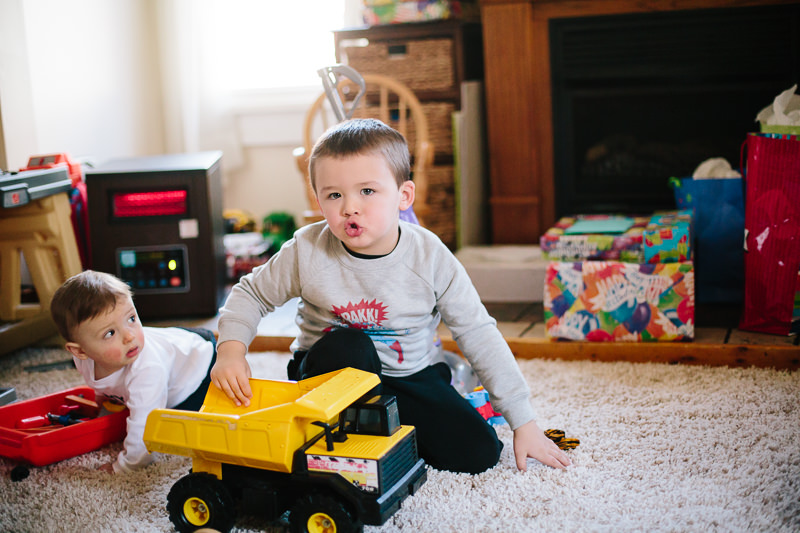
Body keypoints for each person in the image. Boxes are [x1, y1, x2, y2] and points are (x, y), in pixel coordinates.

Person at [211, 118, 571, 474]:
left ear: (404, 196)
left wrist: (523, 422)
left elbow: (477, 330)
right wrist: (230, 350)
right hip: (329, 379)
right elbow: (251, 294)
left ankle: (389, 429)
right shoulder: (307, 249)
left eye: (367, 191)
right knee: (351, 345)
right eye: (334, 195)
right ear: (318, 200)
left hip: (407, 376)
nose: (350, 206)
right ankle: (357, 436)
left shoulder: (429, 255)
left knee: (479, 453)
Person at [50, 270, 216, 473]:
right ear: (80, 351)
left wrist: (125, 466)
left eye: (131, 318)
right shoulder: (82, 360)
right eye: (110, 333)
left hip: (200, 371)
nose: (129, 336)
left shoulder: (147, 369)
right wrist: (102, 395)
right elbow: (102, 380)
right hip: (175, 350)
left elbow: (145, 430)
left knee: (188, 428)